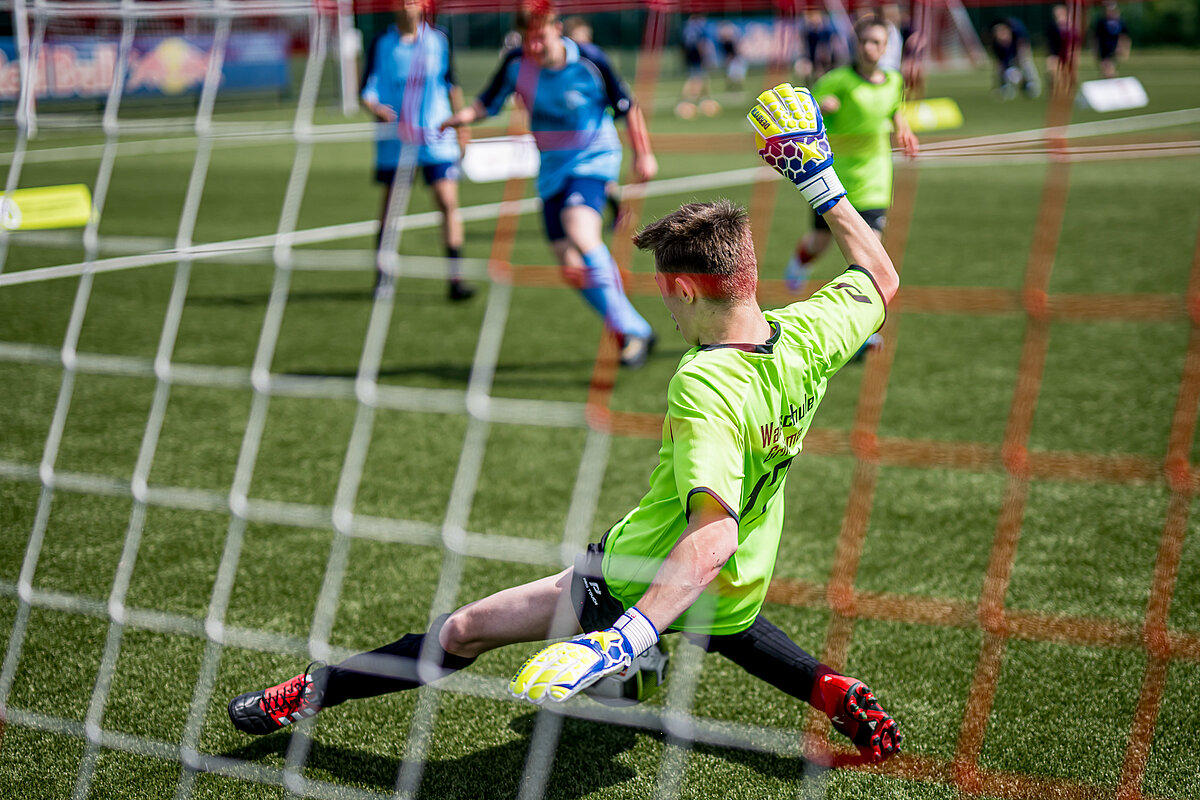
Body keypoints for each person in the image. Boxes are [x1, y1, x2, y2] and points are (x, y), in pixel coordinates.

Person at [228, 83, 903, 766]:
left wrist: (625, 635)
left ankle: (310, 691)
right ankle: (825, 686)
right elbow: (879, 273)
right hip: (742, 576)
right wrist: (817, 178)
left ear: (684, 289)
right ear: (750, 272)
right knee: (726, 620)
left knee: (462, 631)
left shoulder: (705, 382)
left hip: (636, 575)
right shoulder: (812, 334)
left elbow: (712, 535)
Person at [440, 4, 658, 368]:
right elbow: (487, 102)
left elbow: (628, 107)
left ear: (557, 29)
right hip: (551, 169)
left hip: (593, 158)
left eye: (540, 38)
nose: (534, 48)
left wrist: (644, 154)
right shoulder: (516, 63)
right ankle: (632, 329)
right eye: (527, 41)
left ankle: (629, 328)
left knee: (580, 230)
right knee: (569, 264)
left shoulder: (589, 60)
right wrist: (462, 117)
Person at [785, 15, 917, 316]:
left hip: (875, 179)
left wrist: (903, 128)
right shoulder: (836, 80)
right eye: (864, 41)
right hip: (834, 179)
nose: (869, 48)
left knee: (869, 253)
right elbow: (801, 118)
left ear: (885, 48)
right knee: (819, 242)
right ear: (855, 44)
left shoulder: (894, 80)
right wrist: (820, 107)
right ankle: (799, 262)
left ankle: (858, 321)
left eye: (877, 42)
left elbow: (895, 107)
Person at [361, 0, 474, 301]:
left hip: (436, 137)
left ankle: (456, 278)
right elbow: (366, 90)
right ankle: (383, 277)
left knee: (448, 202)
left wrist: (462, 125)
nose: (408, 7)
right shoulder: (382, 44)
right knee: (391, 209)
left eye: (413, 1)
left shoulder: (438, 41)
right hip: (396, 140)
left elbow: (452, 84)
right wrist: (375, 107)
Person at [677, 15, 720, 119]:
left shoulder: (686, 26)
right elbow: (702, 43)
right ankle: (688, 100)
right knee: (697, 76)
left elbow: (682, 43)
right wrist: (705, 57)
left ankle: (702, 97)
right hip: (696, 55)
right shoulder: (699, 27)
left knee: (698, 76)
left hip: (688, 55)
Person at [988, 17, 1040, 100]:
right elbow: (1000, 60)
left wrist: (1018, 59)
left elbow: (1023, 49)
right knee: (1007, 72)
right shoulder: (996, 45)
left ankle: (1031, 84)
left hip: (1019, 56)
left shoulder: (1017, 36)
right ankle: (1005, 87)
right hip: (1009, 60)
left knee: (1026, 63)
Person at [1045, 4, 1080, 93]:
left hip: (1069, 53)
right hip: (1056, 54)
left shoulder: (1071, 27)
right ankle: (1054, 91)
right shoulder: (1052, 27)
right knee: (1053, 71)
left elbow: (1075, 42)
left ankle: (1070, 91)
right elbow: (1049, 42)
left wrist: (1073, 53)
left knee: (1071, 75)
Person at [1093, 1, 1130, 79]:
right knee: (1106, 68)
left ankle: (1110, 82)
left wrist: (1124, 48)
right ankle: (1109, 81)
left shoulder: (1119, 21)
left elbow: (1123, 36)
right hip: (1104, 48)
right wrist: (1096, 49)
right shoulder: (1101, 21)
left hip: (1114, 47)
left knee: (1109, 68)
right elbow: (1096, 37)